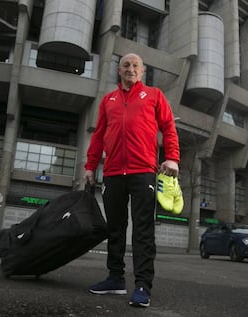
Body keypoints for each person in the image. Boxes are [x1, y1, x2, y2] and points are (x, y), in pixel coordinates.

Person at [84, 53, 180, 307]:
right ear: (119, 70)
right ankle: (115, 278)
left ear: (142, 70)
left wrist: (172, 158)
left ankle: (142, 286)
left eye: (135, 65)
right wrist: (90, 166)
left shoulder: (154, 95)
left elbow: (169, 127)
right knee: (115, 228)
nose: (131, 69)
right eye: (126, 65)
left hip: (143, 171)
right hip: (114, 172)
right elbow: (98, 135)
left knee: (142, 231)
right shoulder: (108, 100)